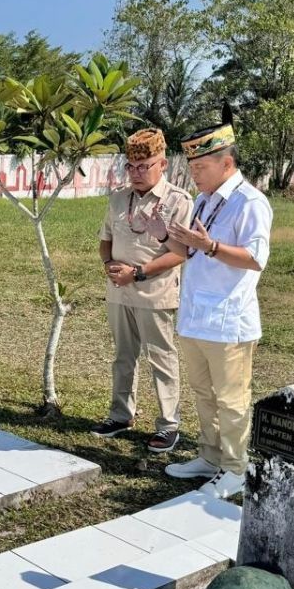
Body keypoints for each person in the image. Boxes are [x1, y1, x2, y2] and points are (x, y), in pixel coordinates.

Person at [163, 113, 273, 499]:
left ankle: (235, 468)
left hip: (228, 320)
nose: (194, 174)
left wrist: (210, 246)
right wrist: (171, 235)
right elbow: (189, 249)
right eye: (191, 167)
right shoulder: (202, 199)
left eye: (201, 166)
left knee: (231, 399)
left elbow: (256, 258)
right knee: (203, 393)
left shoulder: (250, 202)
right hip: (195, 316)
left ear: (227, 163)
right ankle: (209, 457)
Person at [94, 128, 193, 453]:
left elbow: (179, 253)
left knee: (161, 359)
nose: (136, 173)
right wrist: (109, 263)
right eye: (131, 166)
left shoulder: (177, 201)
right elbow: (106, 237)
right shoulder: (119, 197)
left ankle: (168, 426)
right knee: (123, 357)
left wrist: (136, 273)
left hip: (155, 294)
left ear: (162, 164)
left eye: (144, 166)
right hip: (119, 291)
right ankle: (120, 415)